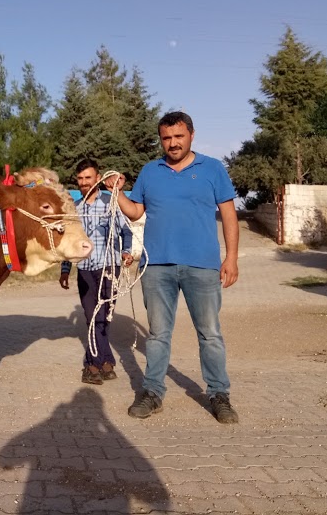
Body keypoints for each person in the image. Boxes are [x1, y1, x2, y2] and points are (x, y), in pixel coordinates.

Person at [106, 111, 240, 424]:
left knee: (209, 334)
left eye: (178, 137)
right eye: (166, 138)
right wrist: (118, 193)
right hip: (157, 268)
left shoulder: (213, 169)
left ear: (191, 135)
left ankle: (219, 394)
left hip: (202, 266)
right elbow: (137, 211)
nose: (172, 143)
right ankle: (152, 393)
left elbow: (230, 215)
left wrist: (231, 258)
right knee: (157, 335)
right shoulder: (150, 171)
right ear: (161, 139)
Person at [60, 158, 134, 385]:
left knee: (104, 317)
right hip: (84, 269)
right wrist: (65, 269)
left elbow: (126, 232)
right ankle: (97, 364)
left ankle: (101, 362)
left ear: (98, 177)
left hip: (109, 268)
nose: (83, 183)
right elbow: (68, 242)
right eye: (80, 179)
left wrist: (127, 251)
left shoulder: (109, 202)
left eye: (88, 178)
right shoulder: (74, 209)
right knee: (92, 316)